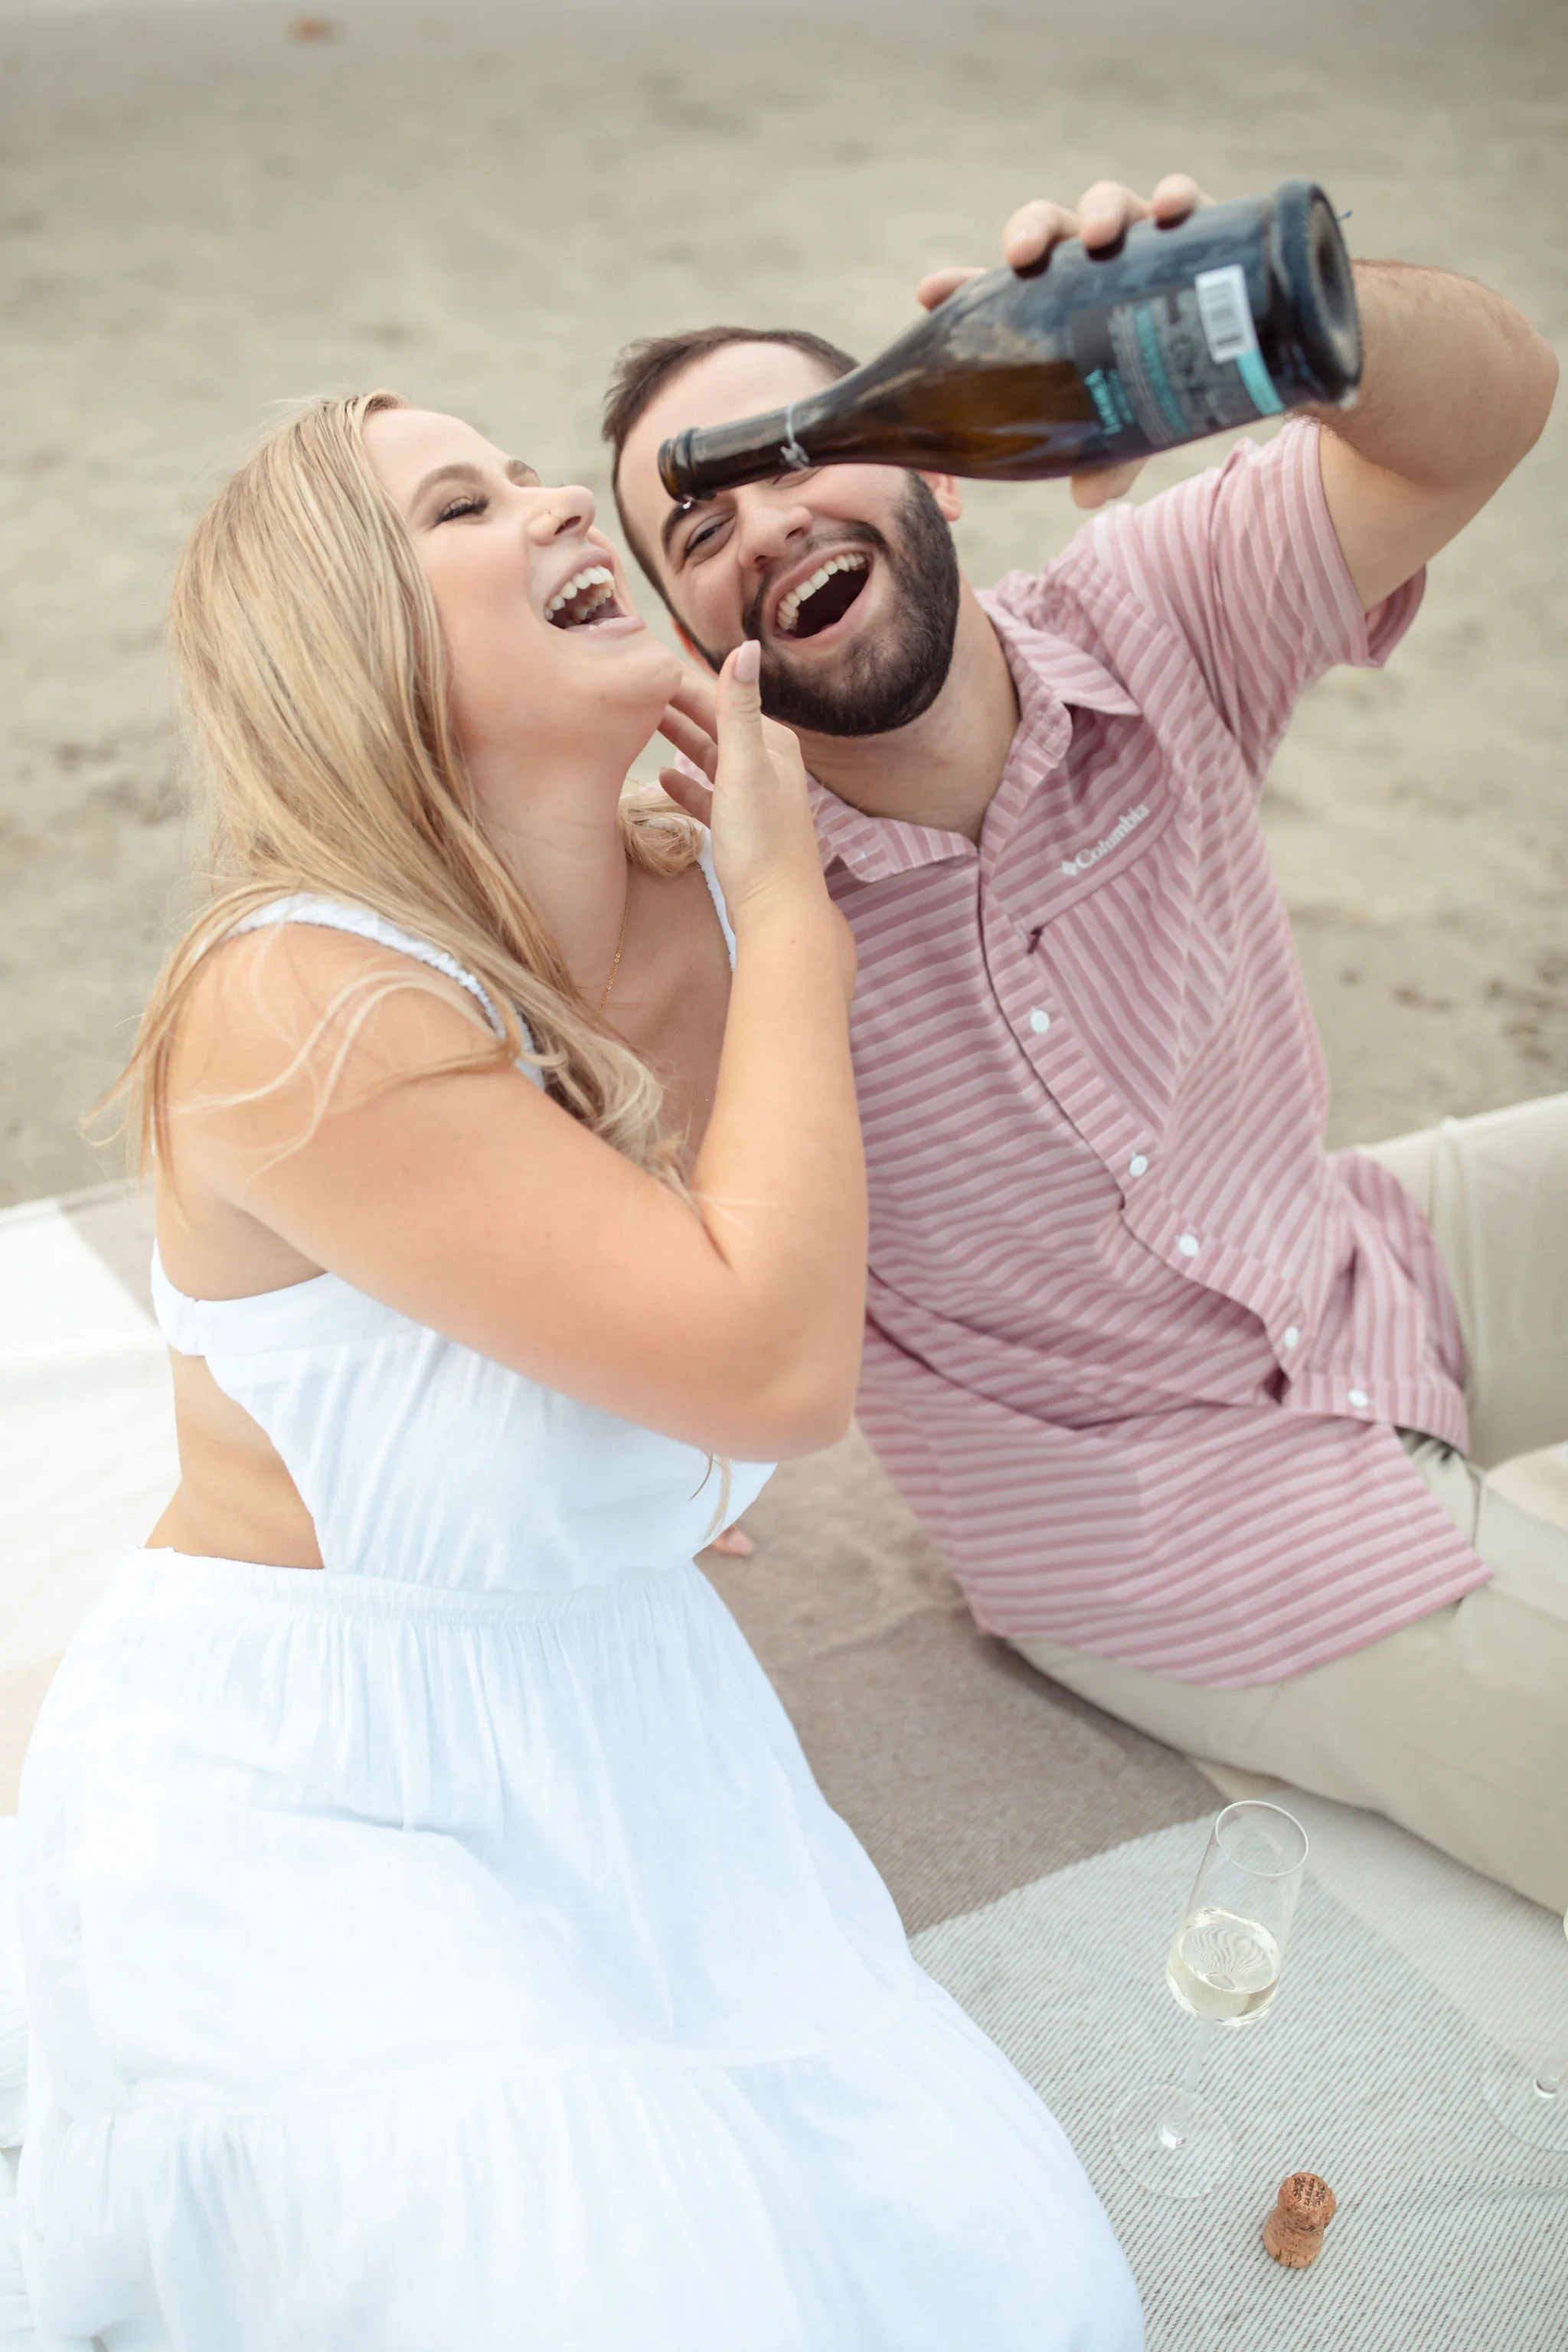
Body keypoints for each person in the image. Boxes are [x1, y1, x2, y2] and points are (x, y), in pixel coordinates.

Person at [11, 393, 1142, 2350]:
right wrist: (792, 917)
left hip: (628, 1725)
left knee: (1011, 2288)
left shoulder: (681, 895)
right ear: (351, 642)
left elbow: (993, 738)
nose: (551, 498)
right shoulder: (297, 991)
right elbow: (772, 1370)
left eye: (530, 470)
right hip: (309, 1770)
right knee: (597, 2279)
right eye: (462, 502)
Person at [606, 172, 1568, 1912]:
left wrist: (1277, 330)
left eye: (791, 447)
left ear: (930, 460)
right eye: (696, 533)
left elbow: (1488, 408)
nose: (759, 524)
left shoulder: (1149, 610)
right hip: (1168, 1534)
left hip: (1349, 1256)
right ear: (701, 653)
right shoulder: (716, 905)